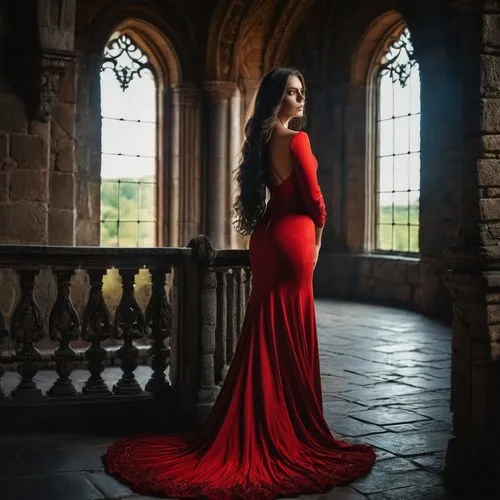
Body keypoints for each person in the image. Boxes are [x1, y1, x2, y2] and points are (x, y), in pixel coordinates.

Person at [104, 67, 376, 499]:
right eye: (291, 93)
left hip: (267, 240)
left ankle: (261, 419)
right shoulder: (297, 140)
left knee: (265, 332)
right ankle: (287, 428)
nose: (300, 99)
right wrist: (320, 239)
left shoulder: (263, 142)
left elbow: (276, 195)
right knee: (286, 332)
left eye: (302, 91)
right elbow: (316, 202)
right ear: (276, 100)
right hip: (294, 241)